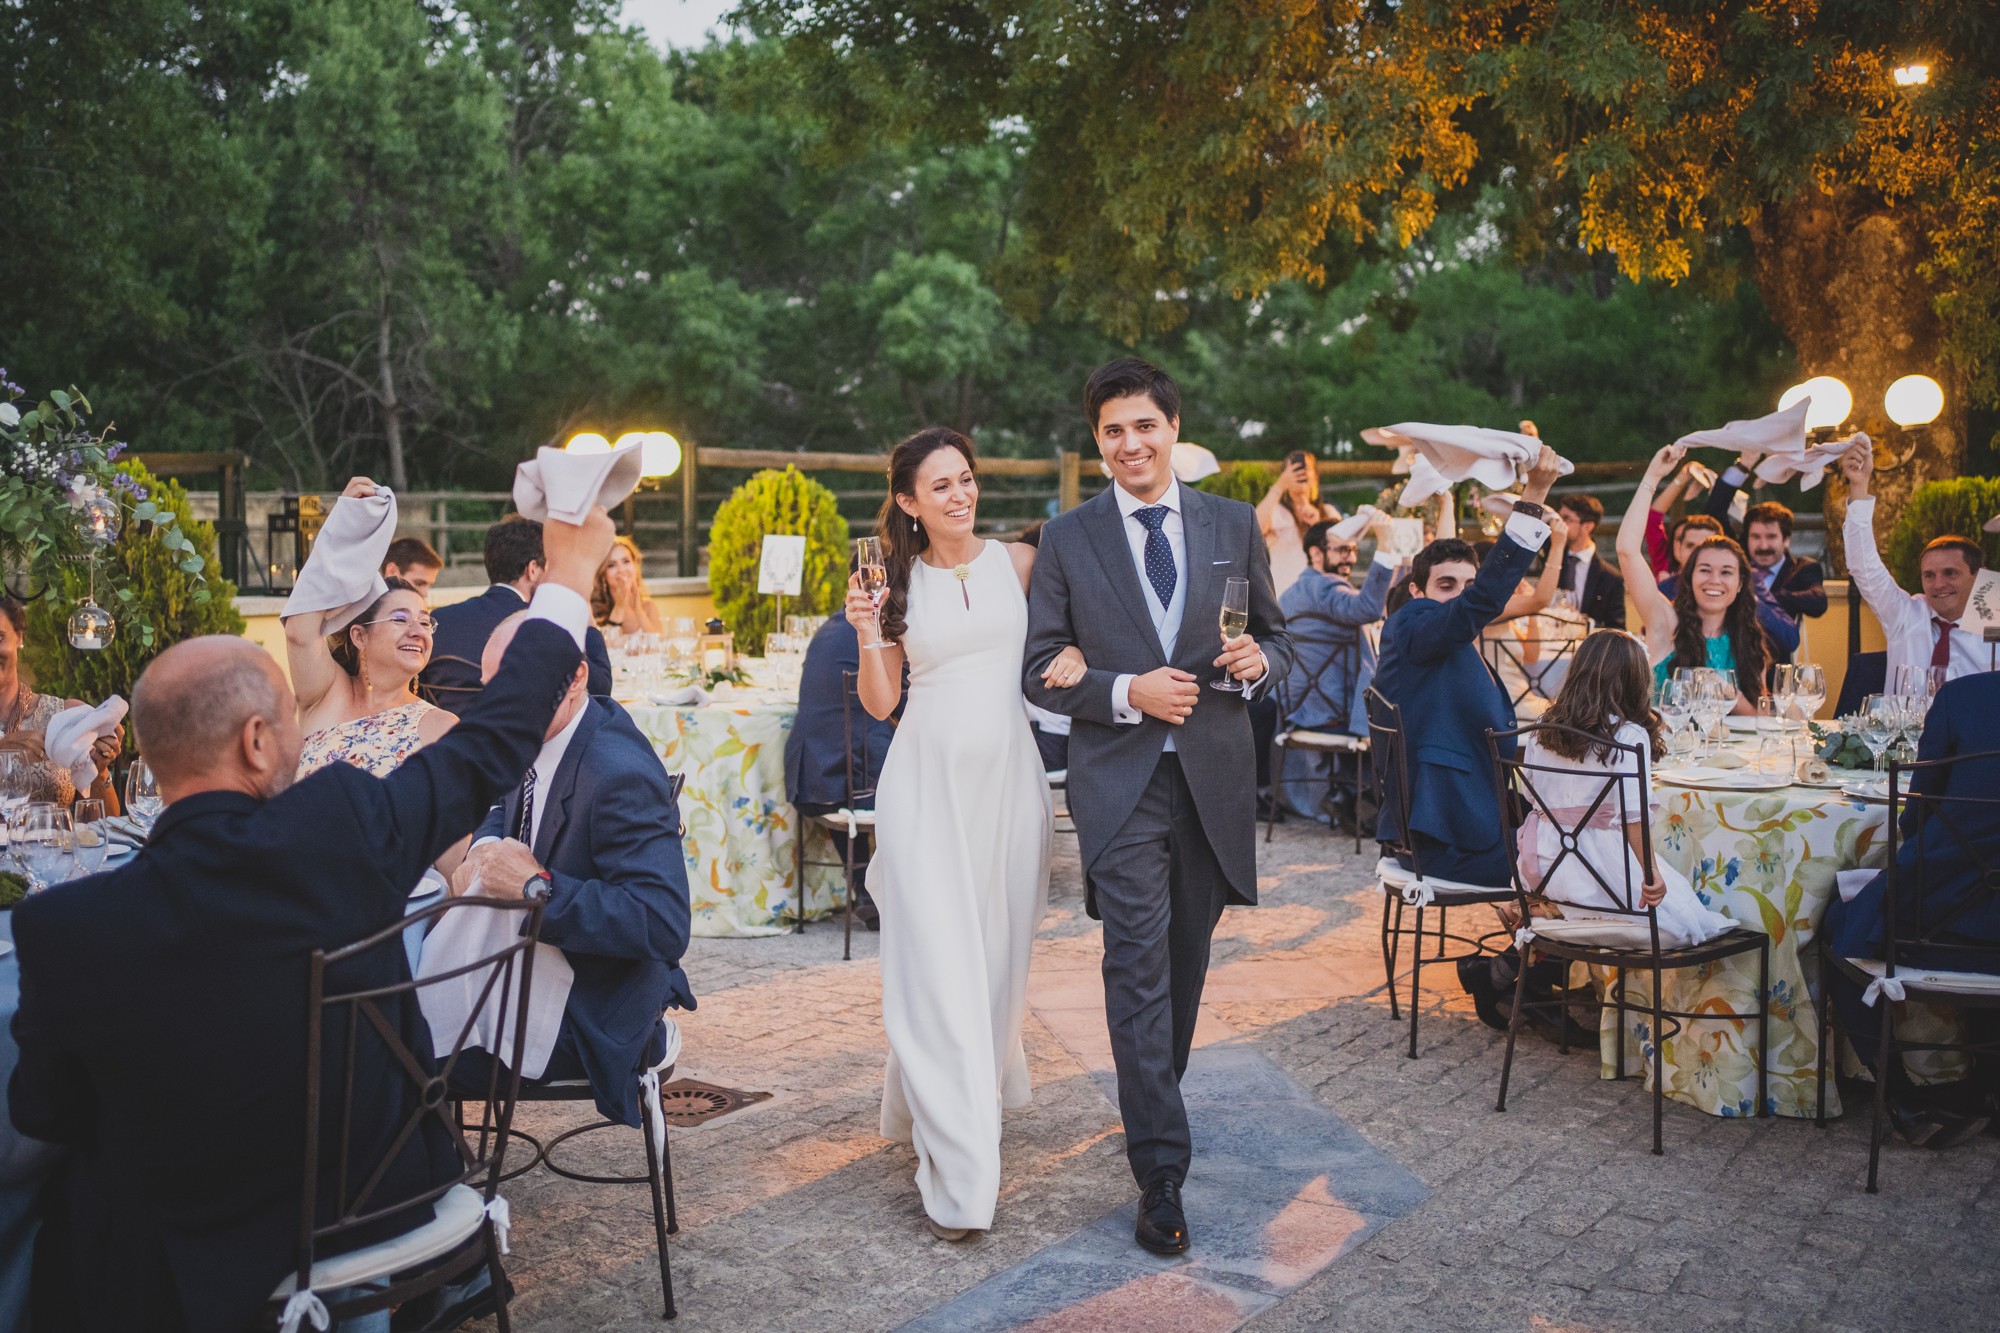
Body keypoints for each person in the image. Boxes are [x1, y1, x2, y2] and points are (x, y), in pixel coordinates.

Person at [8, 504, 614, 1333]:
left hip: (179, 1262)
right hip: (364, 1209)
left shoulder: (63, 928)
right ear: (258, 742)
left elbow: (46, 1113)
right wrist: (570, 579)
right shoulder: (343, 828)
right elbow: (494, 742)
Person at [1022, 358, 1295, 1257]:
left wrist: (1263, 665)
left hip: (1212, 781)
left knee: (1183, 960)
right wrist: (1126, 689)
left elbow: (1278, 638)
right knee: (1134, 964)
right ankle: (1161, 1171)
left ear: (1173, 428)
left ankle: (1151, 1093)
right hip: (1120, 784)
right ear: (1096, 443)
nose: (1130, 443)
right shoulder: (1068, 537)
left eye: (1143, 425)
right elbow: (1043, 667)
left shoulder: (1229, 524)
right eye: (1112, 431)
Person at [847, 427, 1073, 1242]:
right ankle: (962, 1178)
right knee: (937, 961)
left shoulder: (1019, 563)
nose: (960, 494)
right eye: (939, 485)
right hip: (925, 785)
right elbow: (880, 703)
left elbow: (1062, 640)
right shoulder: (894, 580)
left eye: (966, 479)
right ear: (908, 500)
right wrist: (869, 630)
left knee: (996, 962)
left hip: (1010, 783)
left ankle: (942, 1099)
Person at [448, 610, 695, 1127]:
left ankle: (425, 1185)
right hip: (526, 964)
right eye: (492, 687)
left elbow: (663, 923)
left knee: (392, 1043)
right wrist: (485, 845)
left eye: (516, 686)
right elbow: (499, 798)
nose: (499, 706)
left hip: (591, 1004)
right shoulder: (538, 725)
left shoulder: (616, 771)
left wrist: (536, 887)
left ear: (578, 677)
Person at [1371, 445, 1565, 887]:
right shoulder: (1412, 626)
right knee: (1579, 860)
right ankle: (1540, 956)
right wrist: (1533, 497)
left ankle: (1528, 956)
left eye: (1468, 585)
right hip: (1442, 839)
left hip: (1469, 817)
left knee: (1581, 841)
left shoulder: (1447, 639)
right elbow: (1474, 607)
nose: (1459, 595)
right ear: (1417, 591)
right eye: (1446, 585)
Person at [1821, 669, 2000, 1147]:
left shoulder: (1965, 696)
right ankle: (1985, 1086)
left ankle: (1904, 1097)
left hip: (1943, 929)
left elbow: (1917, 817)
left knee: (1840, 923)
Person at [1521, 630, 1735, 946]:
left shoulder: (1542, 730)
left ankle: (1547, 913)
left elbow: (1530, 796)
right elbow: (1633, 817)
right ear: (1636, 682)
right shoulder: (1628, 735)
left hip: (1545, 868)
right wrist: (1651, 875)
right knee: (1690, 923)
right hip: (1597, 877)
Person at [287, 480, 457, 778]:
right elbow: (299, 633)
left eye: (424, 620)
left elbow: (456, 824)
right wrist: (344, 526)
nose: (417, 630)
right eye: (400, 619)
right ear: (359, 635)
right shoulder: (326, 693)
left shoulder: (442, 728)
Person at [1617, 445, 1770, 712]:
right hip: (1668, 751)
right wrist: (1653, 477)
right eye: (1704, 570)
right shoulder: (1667, 623)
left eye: (1726, 572)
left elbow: (1760, 720)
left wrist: (1729, 694)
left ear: (1740, 584)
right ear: (1689, 578)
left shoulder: (1749, 640)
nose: (1714, 580)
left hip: (1731, 753)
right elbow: (1627, 552)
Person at [1272, 514, 1398, 819]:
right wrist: (1387, 546)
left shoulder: (1291, 594)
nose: (1350, 558)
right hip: (1336, 713)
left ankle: (1356, 797)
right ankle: (1386, 807)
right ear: (1316, 553)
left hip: (1299, 708)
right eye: (1341, 549)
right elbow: (1368, 609)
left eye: (1353, 550)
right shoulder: (1327, 589)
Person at [422, 516, 613, 708]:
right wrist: (583, 602)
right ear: (532, 569)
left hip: (452, 735)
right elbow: (600, 689)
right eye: (549, 568)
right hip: (523, 737)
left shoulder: (439, 621)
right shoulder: (547, 627)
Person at [784, 612, 899, 928]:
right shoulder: (884, 633)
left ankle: (864, 888)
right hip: (863, 787)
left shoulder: (827, 629)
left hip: (812, 780)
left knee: (860, 757)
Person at [1839, 443, 1991, 684]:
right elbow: (1862, 565)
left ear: (1978, 576)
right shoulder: (1906, 615)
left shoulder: (1992, 622)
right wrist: (1859, 485)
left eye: (1950, 573)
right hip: (1905, 722)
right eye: (1929, 575)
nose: (1938, 584)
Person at [0, 597, 124, 808]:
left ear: (19, 637)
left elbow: (102, 826)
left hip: (50, 841)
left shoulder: (65, 718)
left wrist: (98, 771)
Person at [1256, 451, 1340, 596]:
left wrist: (1317, 525)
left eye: (1306, 468)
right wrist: (1280, 485)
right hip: (1284, 596)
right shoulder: (1277, 512)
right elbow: (1256, 528)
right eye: (1293, 468)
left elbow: (1341, 550)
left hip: (1322, 596)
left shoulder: (1328, 513)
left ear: (1315, 477)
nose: (1300, 472)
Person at [1553, 494, 1626, 628]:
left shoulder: (1611, 578)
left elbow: (1617, 628)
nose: (1558, 524)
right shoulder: (1551, 558)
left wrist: (1584, 622)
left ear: (1588, 527)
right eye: (1558, 518)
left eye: (1566, 519)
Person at [590, 535, 665, 645]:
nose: (621, 570)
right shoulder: (594, 610)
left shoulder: (648, 607)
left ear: (635, 565)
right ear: (603, 574)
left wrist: (638, 610)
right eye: (612, 565)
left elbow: (659, 648)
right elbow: (605, 651)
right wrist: (619, 606)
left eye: (626, 561)